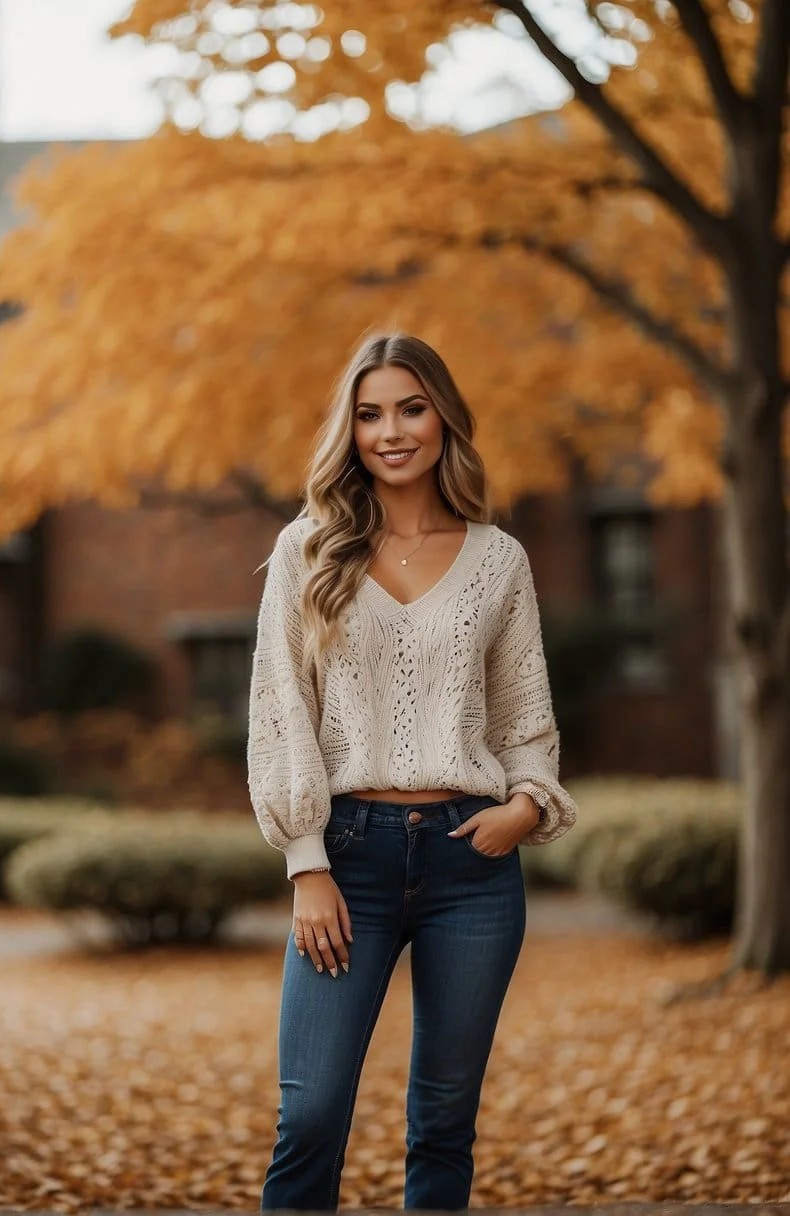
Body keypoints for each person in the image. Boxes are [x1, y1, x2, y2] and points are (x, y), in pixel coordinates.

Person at [247, 332, 578, 1212]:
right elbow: (281, 711)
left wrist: (524, 806)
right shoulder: (306, 550)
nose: (390, 431)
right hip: (345, 858)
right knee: (309, 1116)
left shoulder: (499, 559)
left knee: (442, 1122)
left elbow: (525, 720)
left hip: (473, 867)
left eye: (410, 407)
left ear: (443, 418)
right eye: (368, 414)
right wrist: (306, 863)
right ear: (348, 431)